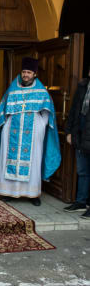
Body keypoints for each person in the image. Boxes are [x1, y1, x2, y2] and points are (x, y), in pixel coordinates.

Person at [0, 57, 61, 206]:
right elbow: (3, 112)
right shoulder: (12, 90)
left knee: (32, 162)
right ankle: (9, 192)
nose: (26, 75)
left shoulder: (41, 92)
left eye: (29, 72)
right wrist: (7, 127)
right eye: (24, 72)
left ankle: (32, 194)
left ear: (34, 74)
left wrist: (39, 126)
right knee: (9, 159)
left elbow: (47, 113)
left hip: (33, 134)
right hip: (11, 133)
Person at [64, 65, 90, 219]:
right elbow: (74, 110)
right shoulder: (82, 86)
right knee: (82, 171)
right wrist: (68, 132)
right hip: (80, 135)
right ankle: (80, 202)